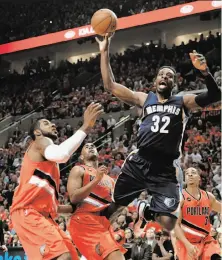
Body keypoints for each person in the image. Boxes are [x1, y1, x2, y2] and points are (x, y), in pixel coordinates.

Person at [96, 34, 221, 231]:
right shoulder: (145, 98)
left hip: (165, 169)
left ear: (174, 83)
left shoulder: (183, 102)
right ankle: (96, 232)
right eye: (161, 74)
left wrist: (205, 72)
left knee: (168, 224)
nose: (164, 77)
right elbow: (109, 85)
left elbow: (215, 95)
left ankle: (146, 210)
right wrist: (104, 51)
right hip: (139, 163)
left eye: (169, 76)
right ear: (155, 81)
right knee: (115, 206)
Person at [10, 103, 103, 260]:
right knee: (62, 256)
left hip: (43, 215)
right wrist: (85, 127)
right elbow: (62, 154)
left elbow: (53, 207)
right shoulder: (39, 142)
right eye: (46, 123)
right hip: (27, 212)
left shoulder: (50, 167)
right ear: (37, 132)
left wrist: (73, 208)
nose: (53, 124)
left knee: (72, 256)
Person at [67, 143, 126, 260]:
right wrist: (96, 179)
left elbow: (111, 211)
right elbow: (74, 197)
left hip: (103, 224)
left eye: (93, 146)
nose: (90, 147)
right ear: (81, 157)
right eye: (86, 147)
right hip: (83, 221)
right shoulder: (79, 169)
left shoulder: (110, 180)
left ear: (98, 154)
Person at [174, 167, 221, 260]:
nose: (190, 174)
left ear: (199, 178)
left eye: (193, 172)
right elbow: (176, 225)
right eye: (187, 173)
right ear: (184, 179)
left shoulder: (208, 196)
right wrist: (187, 245)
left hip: (206, 241)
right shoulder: (180, 198)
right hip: (186, 242)